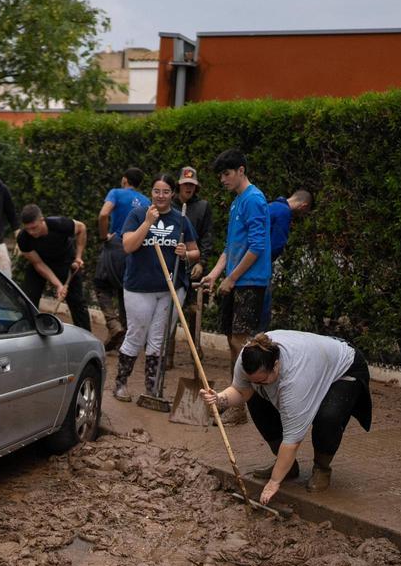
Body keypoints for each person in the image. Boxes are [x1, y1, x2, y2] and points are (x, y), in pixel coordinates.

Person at [200, 331, 371, 505]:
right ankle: (288, 468)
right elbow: (241, 391)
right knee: (256, 398)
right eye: (254, 381)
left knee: (328, 417)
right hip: (313, 359)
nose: (257, 384)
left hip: (343, 367)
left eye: (262, 380)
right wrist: (220, 398)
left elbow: (292, 441)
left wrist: (274, 482)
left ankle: (322, 468)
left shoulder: (294, 381)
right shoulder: (248, 358)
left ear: (276, 366)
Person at [114, 174, 199, 402]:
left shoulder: (181, 220)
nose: (160, 196)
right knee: (136, 334)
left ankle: (152, 390)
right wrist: (147, 223)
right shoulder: (137, 214)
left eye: (165, 192)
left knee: (159, 338)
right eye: (156, 191)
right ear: (151, 192)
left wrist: (186, 253)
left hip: (171, 287)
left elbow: (195, 251)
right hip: (139, 287)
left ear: (173, 194)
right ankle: (121, 384)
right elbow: (128, 246)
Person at [204, 149, 270, 425]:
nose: (223, 179)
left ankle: (245, 403)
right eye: (220, 175)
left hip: (250, 282)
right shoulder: (237, 202)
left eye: (227, 173)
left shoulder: (254, 199)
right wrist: (216, 274)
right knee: (233, 342)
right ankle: (236, 401)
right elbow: (231, 247)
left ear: (241, 170)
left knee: (240, 343)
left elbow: (256, 247)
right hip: (236, 281)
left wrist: (232, 279)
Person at [95, 167, 149, 351]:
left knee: (102, 284)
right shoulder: (146, 201)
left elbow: (103, 214)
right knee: (124, 290)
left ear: (125, 180)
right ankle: (126, 336)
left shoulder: (116, 193)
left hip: (116, 244)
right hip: (134, 250)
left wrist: (104, 237)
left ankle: (114, 325)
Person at [16, 204, 91, 331]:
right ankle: (29, 331)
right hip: (41, 263)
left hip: (66, 262)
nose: (31, 232)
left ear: (42, 220)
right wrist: (58, 285)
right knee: (27, 298)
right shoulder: (23, 238)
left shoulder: (59, 224)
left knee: (77, 302)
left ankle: (86, 336)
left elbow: (81, 228)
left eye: (34, 227)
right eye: (28, 229)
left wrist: (78, 256)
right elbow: (38, 264)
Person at [260, 189, 313, 328]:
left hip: (249, 263)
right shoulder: (284, 212)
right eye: (304, 212)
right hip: (261, 267)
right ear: (304, 206)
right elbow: (277, 245)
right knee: (262, 315)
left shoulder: (270, 206)